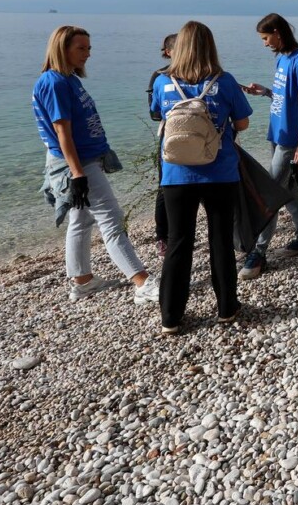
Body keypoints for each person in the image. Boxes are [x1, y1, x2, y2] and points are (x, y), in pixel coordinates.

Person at [32, 26, 159, 304]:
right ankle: (142, 283)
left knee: (81, 219)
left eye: (89, 48)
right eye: (81, 48)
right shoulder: (54, 83)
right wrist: (77, 173)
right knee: (112, 221)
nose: (88, 54)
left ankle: (82, 282)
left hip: (85, 160)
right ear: (62, 49)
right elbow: (61, 132)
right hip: (78, 163)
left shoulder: (69, 79)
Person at [151, 21, 253, 334]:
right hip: (220, 172)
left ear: (177, 47)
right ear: (211, 46)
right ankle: (226, 308)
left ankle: (171, 316)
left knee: (179, 242)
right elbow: (244, 123)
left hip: (176, 174)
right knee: (220, 240)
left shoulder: (162, 82)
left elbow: (158, 114)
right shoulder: (225, 81)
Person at [239, 13, 298, 279]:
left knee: (270, 194)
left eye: (265, 38)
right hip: (277, 133)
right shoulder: (282, 59)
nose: (264, 44)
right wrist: (265, 92)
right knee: (289, 188)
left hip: (290, 139)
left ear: (278, 32)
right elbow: (286, 97)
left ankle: (258, 253)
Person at [148, 33, 177, 257]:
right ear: (167, 51)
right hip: (169, 139)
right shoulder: (160, 76)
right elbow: (154, 113)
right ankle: (162, 237)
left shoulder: (198, 72)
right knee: (164, 187)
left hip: (178, 137)